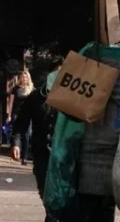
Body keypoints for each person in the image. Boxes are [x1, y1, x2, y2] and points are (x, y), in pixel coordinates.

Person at [14, 61, 59, 222]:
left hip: (66, 155)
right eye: (57, 72)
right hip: (42, 153)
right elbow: (21, 123)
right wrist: (16, 144)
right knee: (46, 191)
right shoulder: (36, 97)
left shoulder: (75, 99)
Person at [9, 68, 33, 163]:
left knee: (27, 135)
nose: (24, 78)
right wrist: (9, 115)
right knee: (16, 134)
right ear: (20, 78)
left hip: (28, 115)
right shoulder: (15, 88)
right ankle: (15, 153)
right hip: (16, 114)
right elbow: (11, 102)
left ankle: (24, 157)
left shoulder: (32, 89)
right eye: (23, 77)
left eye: (26, 77)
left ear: (28, 78)